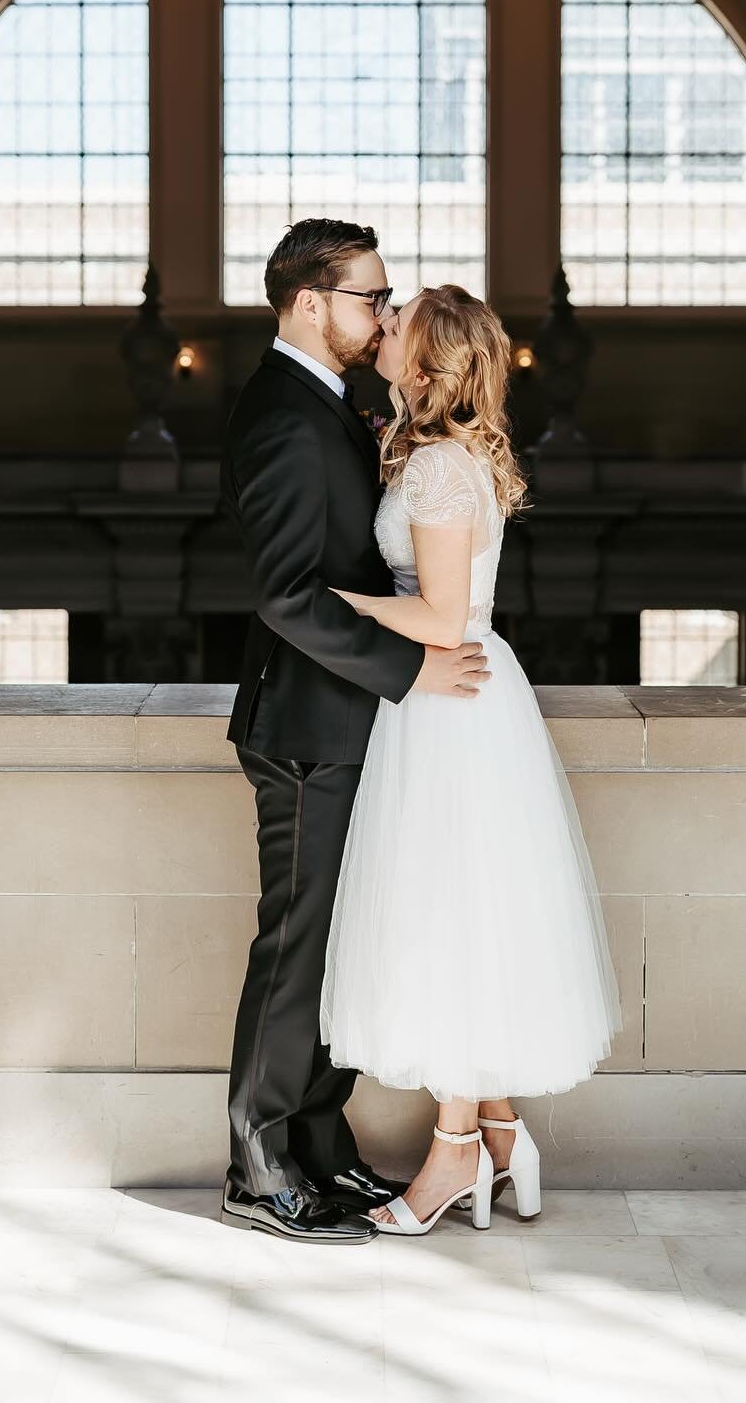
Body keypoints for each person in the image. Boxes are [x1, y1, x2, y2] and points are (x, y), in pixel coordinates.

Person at [321, 283, 622, 1235]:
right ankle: (499, 1135)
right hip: (450, 703)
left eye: (398, 316)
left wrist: (334, 602)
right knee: (462, 914)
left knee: (446, 915)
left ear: (426, 356)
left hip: (450, 705)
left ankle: (454, 1156)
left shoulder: (443, 468)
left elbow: (442, 618)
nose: (385, 318)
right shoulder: (436, 454)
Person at [218, 221, 490, 1245]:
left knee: (335, 949)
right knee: (293, 951)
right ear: (308, 303)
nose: (384, 311)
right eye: (371, 296)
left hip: (350, 723)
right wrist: (415, 666)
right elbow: (288, 595)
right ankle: (259, 1162)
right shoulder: (284, 418)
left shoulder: (334, 404)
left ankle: (319, 1146)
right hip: (305, 728)